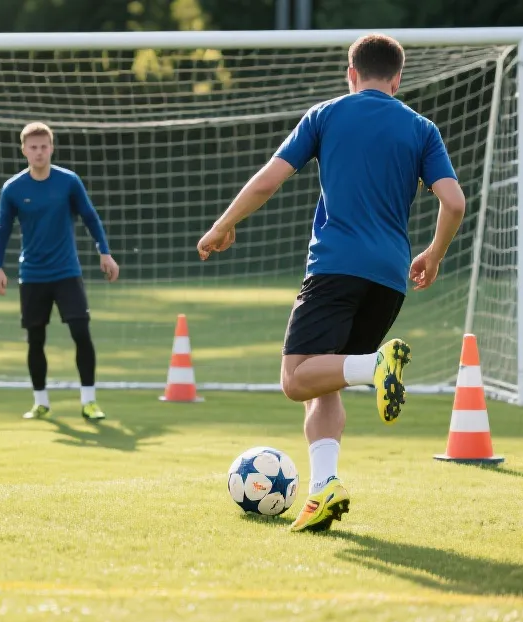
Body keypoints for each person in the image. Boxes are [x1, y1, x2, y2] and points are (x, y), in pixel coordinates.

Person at [196, 33, 466, 532]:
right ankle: (324, 489)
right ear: (397, 78)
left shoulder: (326, 114)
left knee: (296, 378)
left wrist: (222, 224)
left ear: (351, 72)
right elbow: (454, 203)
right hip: (391, 277)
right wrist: (434, 252)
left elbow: (268, 180)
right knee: (327, 381)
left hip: (335, 266)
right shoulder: (422, 128)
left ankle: (374, 365)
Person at [0, 122, 120, 421]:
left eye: (43, 147)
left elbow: (90, 216)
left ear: (51, 148)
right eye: (33, 147)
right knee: (35, 340)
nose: (39, 152)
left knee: (81, 333)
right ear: (24, 150)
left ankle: (89, 401)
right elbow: (2, 230)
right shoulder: (13, 188)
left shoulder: (68, 181)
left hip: (66, 273)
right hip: (33, 276)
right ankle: (41, 402)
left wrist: (105, 252)